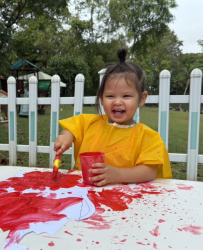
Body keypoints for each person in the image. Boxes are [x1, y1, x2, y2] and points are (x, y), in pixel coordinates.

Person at [54, 48, 172, 186]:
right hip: (83, 193)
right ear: (102, 99)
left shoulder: (148, 137)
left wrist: (118, 175)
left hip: (125, 199)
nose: (117, 102)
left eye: (126, 96)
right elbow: (71, 128)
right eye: (110, 96)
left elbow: (150, 171)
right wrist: (66, 137)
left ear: (141, 99)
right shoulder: (88, 123)